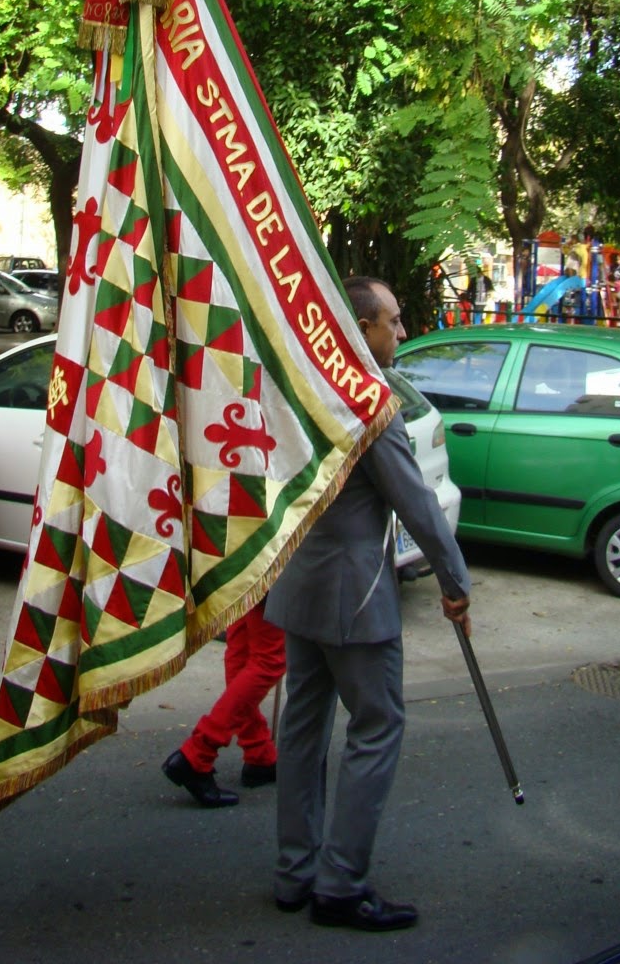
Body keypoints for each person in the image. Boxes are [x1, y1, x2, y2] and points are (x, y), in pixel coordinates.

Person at [265, 276, 472, 932]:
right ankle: (340, 883)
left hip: (300, 583)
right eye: (394, 320)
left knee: (302, 727)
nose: (402, 331)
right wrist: (455, 581)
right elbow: (417, 504)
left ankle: (295, 871)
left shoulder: (302, 386)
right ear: (361, 326)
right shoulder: (368, 401)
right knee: (377, 726)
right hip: (354, 597)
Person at [161, 598, 286, 807]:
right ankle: (198, 752)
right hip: (266, 577)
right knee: (269, 660)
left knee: (243, 651)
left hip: (240, 577)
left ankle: (258, 752)